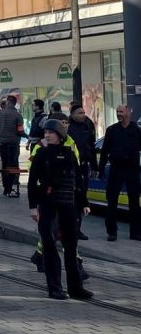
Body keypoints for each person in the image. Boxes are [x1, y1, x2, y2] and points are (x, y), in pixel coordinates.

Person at [28, 120, 93, 300]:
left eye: (51, 132)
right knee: (49, 247)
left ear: (60, 135)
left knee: (71, 248)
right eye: (45, 132)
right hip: (48, 206)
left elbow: (78, 180)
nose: (47, 135)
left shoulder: (69, 154)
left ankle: (75, 288)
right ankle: (54, 287)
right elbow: (32, 183)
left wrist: (84, 203)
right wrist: (33, 207)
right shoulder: (41, 154)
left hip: (68, 206)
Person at [99, 105, 141, 241]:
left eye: (121, 112)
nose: (118, 114)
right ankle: (112, 232)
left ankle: (135, 233)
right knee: (112, 201)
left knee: (134, 202)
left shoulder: (136, 130)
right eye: (117, 112)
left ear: (129, 112)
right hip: (116, 168)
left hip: (132, 168)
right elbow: (104, 151)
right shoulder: (112, 130)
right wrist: (100, 170)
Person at [67, 103, 98, 240]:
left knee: (81, 196)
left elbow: (92, 146)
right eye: (79, 113)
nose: (83, 115)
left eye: (84, 112)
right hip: (70, 167)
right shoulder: (67, 127)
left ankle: (77, 229)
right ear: (72, 115)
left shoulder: (88, 125)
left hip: (83, 166)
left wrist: (95, 166)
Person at [0, 95, 27, 197]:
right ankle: (11, 186)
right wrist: (27, 136)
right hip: (13, 143)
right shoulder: (17, 115)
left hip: (2, 143)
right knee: (13, 165)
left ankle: (5, 187)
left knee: (4, 165)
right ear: (15, 102)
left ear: (8, 102)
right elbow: (20, 131)